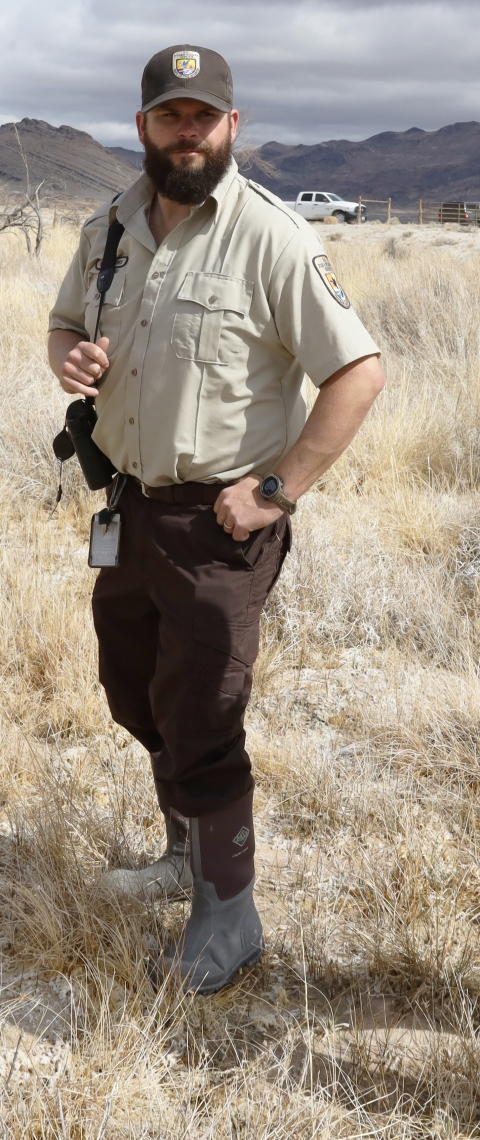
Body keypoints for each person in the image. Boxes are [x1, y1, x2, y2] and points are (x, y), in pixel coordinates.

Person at [48, 43, 384, 995]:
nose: (185, 132)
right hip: (129, 505)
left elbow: (358, 373)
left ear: (234, 127)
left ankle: (227, 919)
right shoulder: (111, 225)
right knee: (134, 690)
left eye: (203, 116)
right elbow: (66, 325)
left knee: (202, 714)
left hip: (221, 527)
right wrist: (69, 358)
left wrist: (275, 491)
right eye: (169, 115)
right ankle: (182, 853)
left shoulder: (274, 237)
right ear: (143, 125)